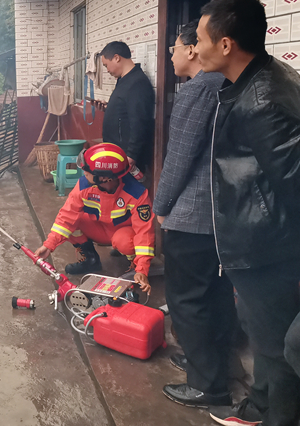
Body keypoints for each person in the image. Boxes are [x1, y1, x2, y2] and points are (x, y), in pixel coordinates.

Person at [195, 0, 300, 426]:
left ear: (225, 44)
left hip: (267, 251)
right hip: (261, 245)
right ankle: (257, 408)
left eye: (199, 39)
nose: (190, 48)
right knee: (263, 340)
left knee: (275, 351)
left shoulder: (262, 102)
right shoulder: (253, 82)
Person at [153, 21, 235, 408]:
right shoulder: (226, 86)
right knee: (214, 293)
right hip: (220, 216)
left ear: (191, 50)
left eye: (175, 47)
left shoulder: (199, 90)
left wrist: (160, 206)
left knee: (188, 300)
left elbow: (179, 159)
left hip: (192, 216)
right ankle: (211, 363)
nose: (170, 55)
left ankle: (207, 385)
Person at [34, 142, 154, 291]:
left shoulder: (136, 193)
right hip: (99, 230)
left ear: (104, 178)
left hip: (123, 235)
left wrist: (142, 269)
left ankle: (133, 266)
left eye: (87, 170)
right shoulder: (84, 185)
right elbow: (66, 216)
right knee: (72, 223)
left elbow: (144, 232)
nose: (83, 172)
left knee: (124, 242)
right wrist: (49, 245)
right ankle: (90, 260)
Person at [101, 41, 155, 177]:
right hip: (116, 154)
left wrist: (131, 155)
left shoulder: (137, 83)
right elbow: (125, 110)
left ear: (117, 58)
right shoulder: (123, 80)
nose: (107, 70)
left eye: (106, 65)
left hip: (127, 159)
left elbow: (139, 121)